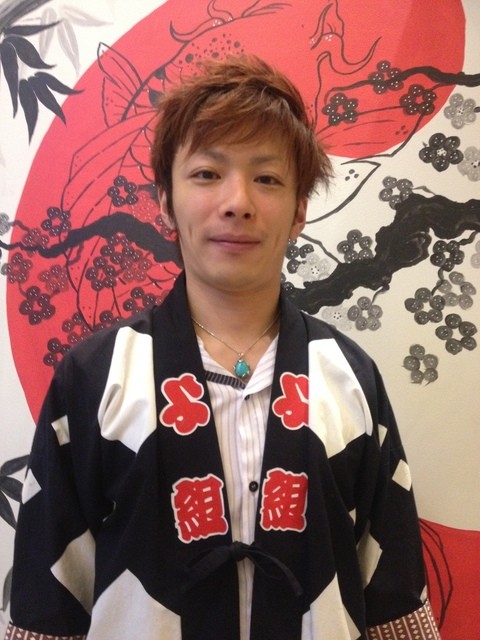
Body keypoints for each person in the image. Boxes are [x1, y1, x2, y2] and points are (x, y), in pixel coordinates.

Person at [6, 55, 440, 640]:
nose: (238, 201)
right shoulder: (93, 377)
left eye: (268, 178)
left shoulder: (349, 376)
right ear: (166, 199)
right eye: (208, 173)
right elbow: (48, 601)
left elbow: (392, 591)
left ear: (299, 211)